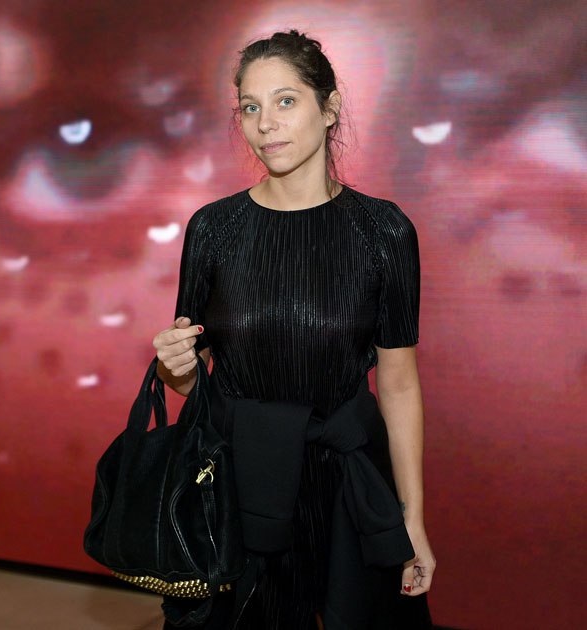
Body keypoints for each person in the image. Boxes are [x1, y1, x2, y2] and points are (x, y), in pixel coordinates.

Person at [153, 29, 436, 630]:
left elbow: (399, 384)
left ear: (329, 108)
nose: (266, 124)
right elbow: (190, 384)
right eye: (250, 107)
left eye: (286, 101)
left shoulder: (384, 232)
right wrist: (172, 368)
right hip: (240, 482)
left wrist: (411, 516)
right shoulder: (213, 229)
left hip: (347, 483)